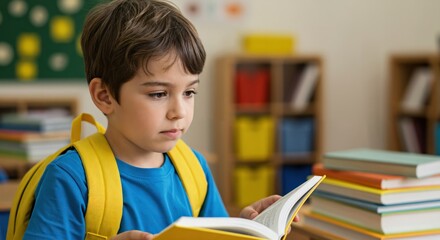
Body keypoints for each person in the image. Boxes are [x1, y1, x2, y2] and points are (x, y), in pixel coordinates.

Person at [23, 0, 297, 239]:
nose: (179, 111)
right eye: (158, 94)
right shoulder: (71, 177)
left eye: (189, 91)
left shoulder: (194, 168)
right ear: (104, 96)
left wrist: (245, 228)